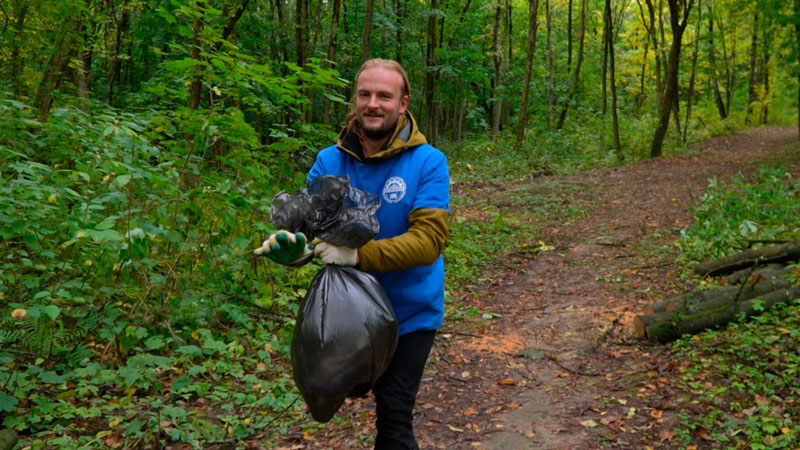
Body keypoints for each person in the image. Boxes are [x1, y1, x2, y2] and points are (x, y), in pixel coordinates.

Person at [256, 58, 449, 449]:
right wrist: (294, 251)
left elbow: (429, 240)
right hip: (347, 319)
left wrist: (358, 256)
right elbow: (310, 232)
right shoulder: (330, 161)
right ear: (355, 99)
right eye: (365, 94)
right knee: (322, 396)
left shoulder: (428, 162)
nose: (373, 103)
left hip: (410, 315)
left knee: (394, 419)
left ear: (403, 103)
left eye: (384, 95)